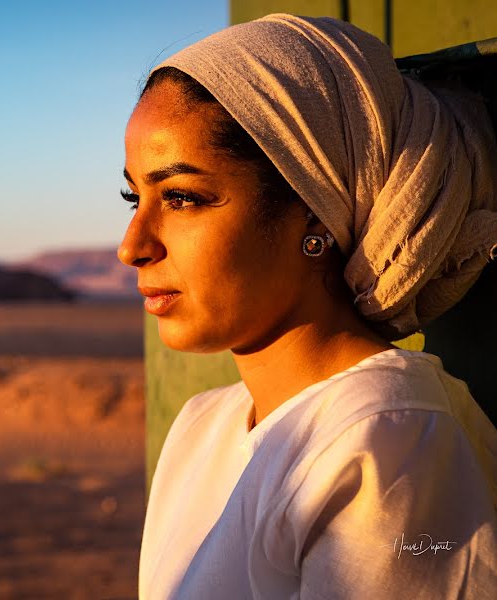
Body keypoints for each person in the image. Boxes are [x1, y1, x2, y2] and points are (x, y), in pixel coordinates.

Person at [117, 14, 497, 599]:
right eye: (133, 196)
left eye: (182, 198)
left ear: (315, 213)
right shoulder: (202, 425)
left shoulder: (388, 439)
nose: (133, 246)